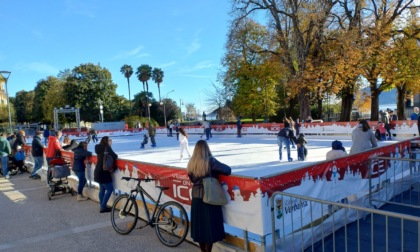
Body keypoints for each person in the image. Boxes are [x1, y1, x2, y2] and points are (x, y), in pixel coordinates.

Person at [187, 140, 231, 252]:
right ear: (206, 149)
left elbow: (192, 179)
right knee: (210, 227)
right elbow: (227, 170)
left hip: (197, 198)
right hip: (210, 197)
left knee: (200, 227)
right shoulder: (210, 161)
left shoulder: (191, 162)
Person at [94, 136, 118, 213]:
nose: (111, 141)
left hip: (98, 171)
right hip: (104, 172)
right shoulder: (107, 148)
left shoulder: (98, 148)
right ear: (106, 141)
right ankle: (103, 207)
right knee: (110, 189)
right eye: (110, 140)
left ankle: (102, 205)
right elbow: (115, 156)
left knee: (102, 189)